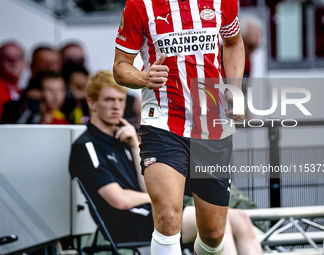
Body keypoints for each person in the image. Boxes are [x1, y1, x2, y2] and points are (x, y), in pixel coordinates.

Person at [69, 71, 262, 255]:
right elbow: (119, 200)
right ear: (92, 103)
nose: (116, 106)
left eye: (120, 100)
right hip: (125, 223)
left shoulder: (123, 137)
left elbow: (147, 189)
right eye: (109, 100)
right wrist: (164, 198)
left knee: (240, 218)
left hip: (149, 212)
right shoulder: (86, 146)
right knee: (214, 223)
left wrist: (136, 147)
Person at [113, 0, 245, 254]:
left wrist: (235, 88)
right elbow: (120, 67)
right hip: (162, 123)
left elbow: (233, 42)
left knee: (213, 235)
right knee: (168, 216)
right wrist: (144, 77)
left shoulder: (222, 2)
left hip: (211, 126)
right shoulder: (139, 6)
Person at [0, 41, 26, 122]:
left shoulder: (24, 92)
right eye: (8, 58)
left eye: (19, 58)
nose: (14, 62)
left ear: (25, 62)